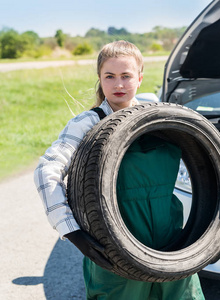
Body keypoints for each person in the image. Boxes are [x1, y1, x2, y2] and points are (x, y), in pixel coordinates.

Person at [34, 40, 205, 300]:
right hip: (115, 251)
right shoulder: (88, 124)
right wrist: (71, 231)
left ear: (140, 79)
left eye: (126, 76)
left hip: (171, 246)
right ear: (100, 80)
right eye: (110, 76)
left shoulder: (163, 119)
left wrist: (209, 233)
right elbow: (47, 169)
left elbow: (203, 172)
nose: (119, 85)